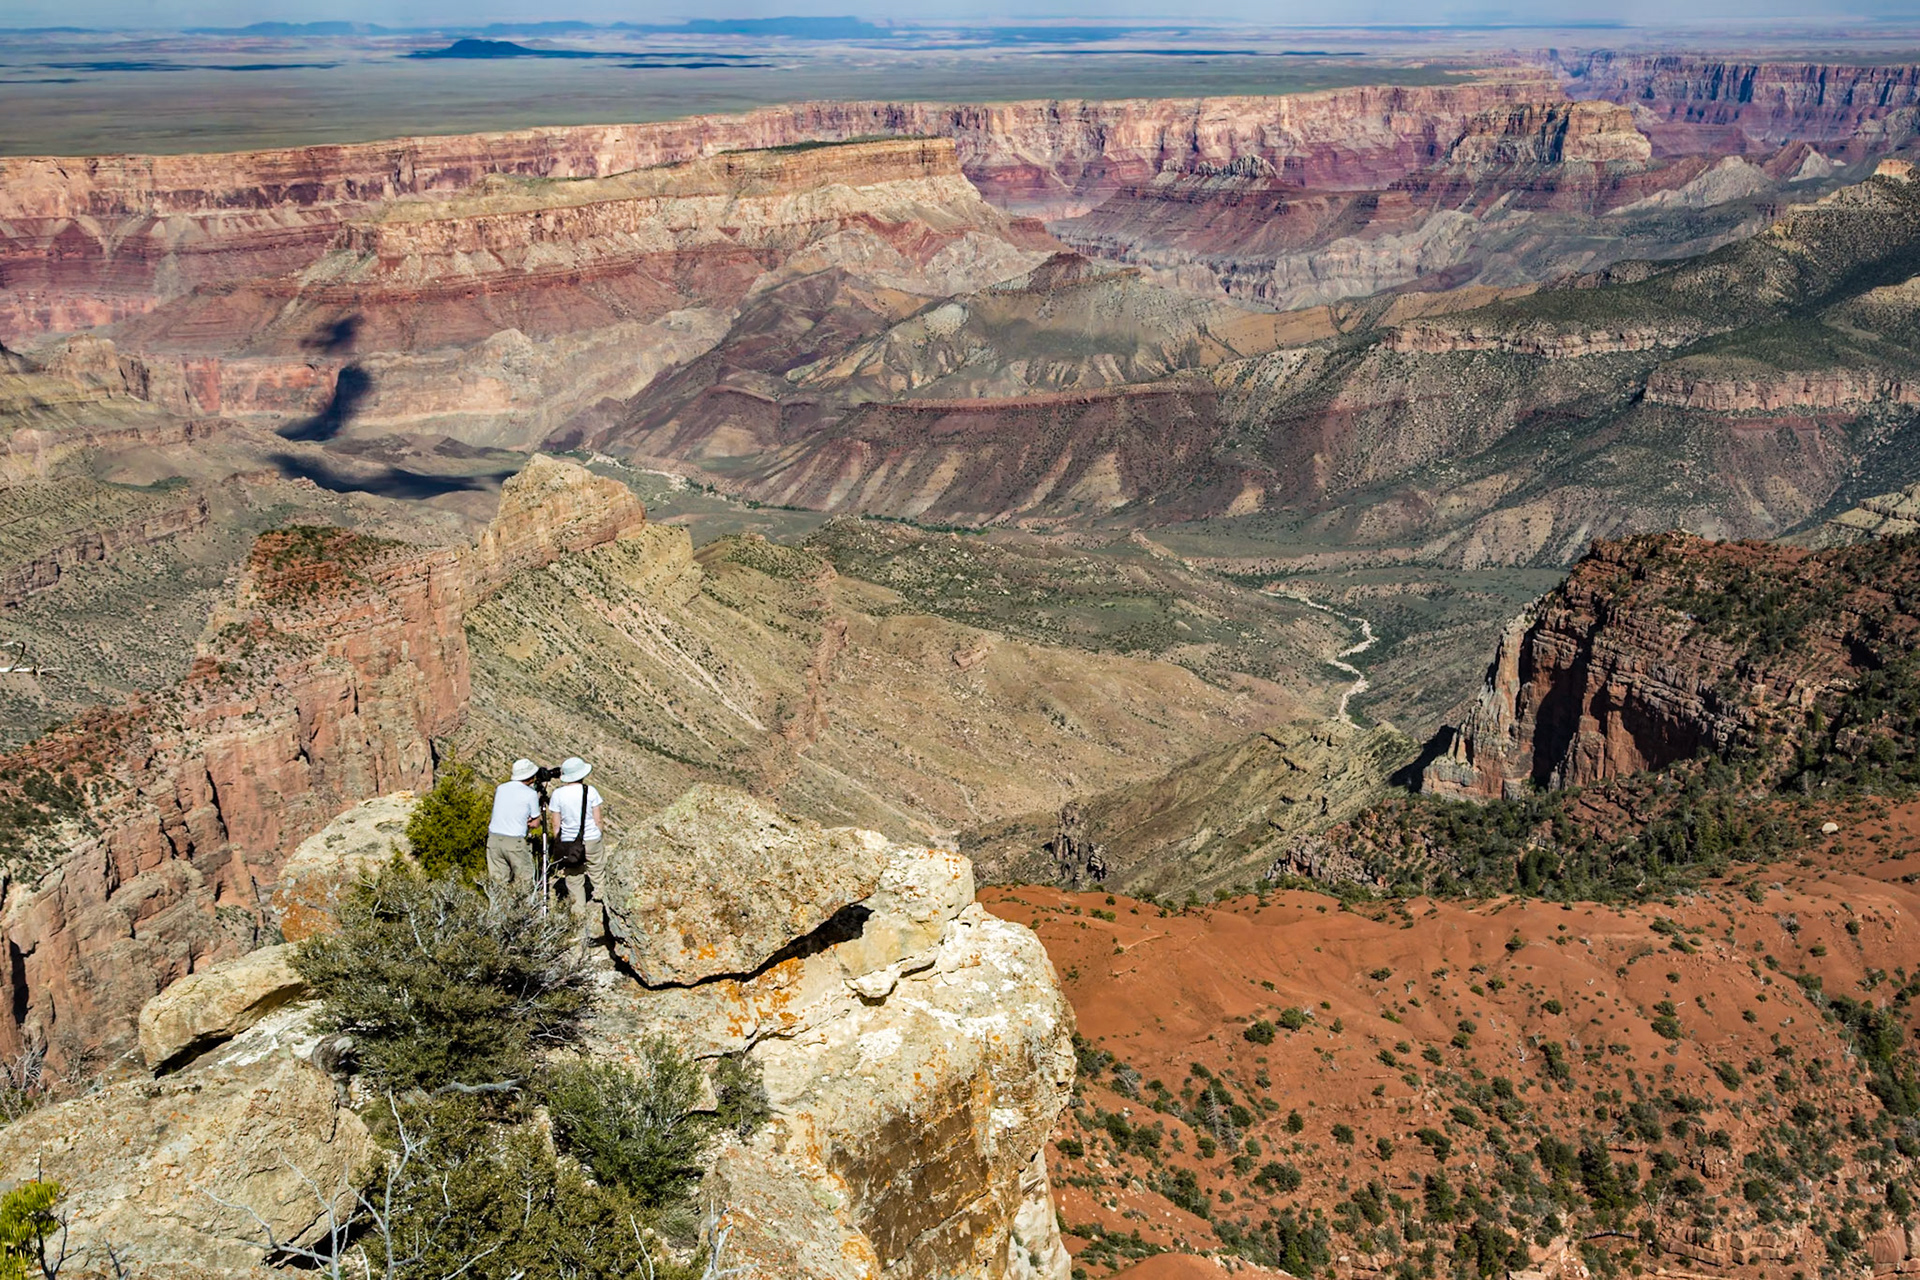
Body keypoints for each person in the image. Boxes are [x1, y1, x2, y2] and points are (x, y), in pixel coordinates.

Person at [546, 756, 609, 939]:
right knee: (598, 875)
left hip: (569, 843)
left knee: (574, 882)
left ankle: (579, 927)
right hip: (591, 838)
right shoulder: (591, 791)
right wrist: (598, 833)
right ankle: (606, 917)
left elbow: (555, 825)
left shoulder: (558, 794)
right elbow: (598, 819)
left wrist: (559, 843)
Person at [485, 758, 544, 906]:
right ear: (530, 776)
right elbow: (536, 822)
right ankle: (523, 916)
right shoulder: (530, 794)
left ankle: (497, 917)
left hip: (493, 841)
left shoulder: (501, 788)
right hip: (515, 842)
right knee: (524, 882)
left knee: (498, 884)